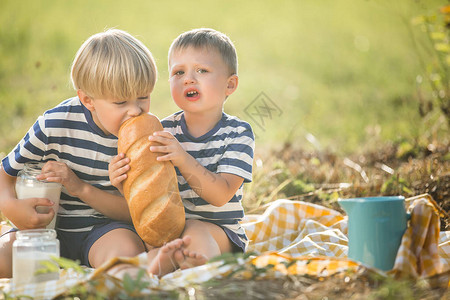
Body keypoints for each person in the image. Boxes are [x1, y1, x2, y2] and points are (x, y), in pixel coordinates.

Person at [0, 28, 157, 278]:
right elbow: (4, 174)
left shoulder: (145, 138)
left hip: (105, 231)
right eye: (120, 103)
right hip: (42, 230)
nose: (135, 111)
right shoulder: (54, 125)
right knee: (3, 259)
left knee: (126, 259)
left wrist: (80, 188)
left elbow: (136, 213)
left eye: (143, 97)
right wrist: (10, 207)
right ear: (88, 100)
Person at [109, 28, 255, 277]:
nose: (188, 78)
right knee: (144, 245)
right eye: (179, 72)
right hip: (168, 232)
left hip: (219, 234)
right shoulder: (163, 130)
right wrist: (122, 182)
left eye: (202, 71)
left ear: (230, 84)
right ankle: (149, 275)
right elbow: (150, 190)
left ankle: (201, 273)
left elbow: (220, 195)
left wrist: (183, 159)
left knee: (195, 230)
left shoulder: (238, 133)